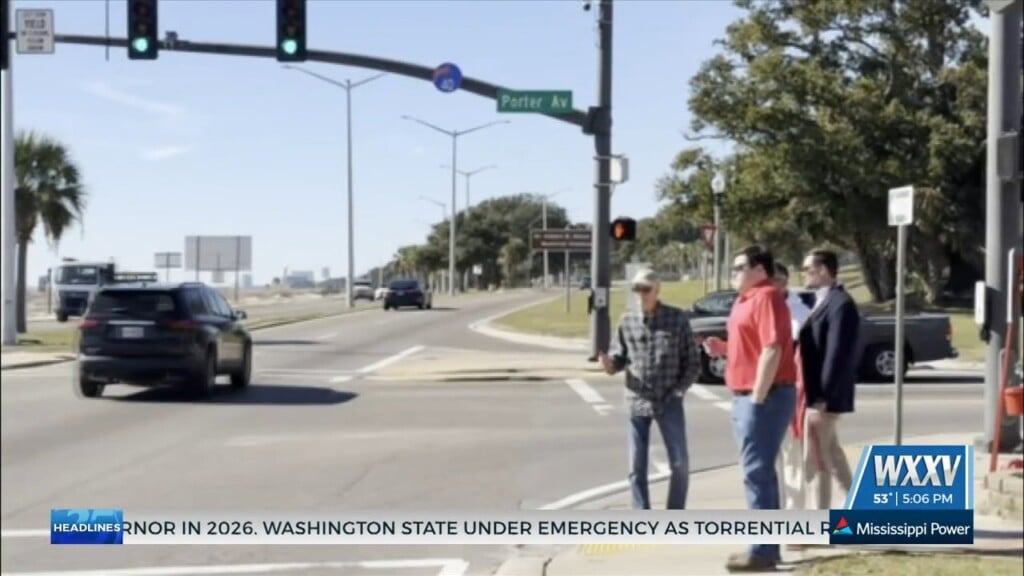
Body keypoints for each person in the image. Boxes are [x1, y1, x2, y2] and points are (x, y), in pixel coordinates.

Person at [703, 246, 797, 572]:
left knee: (756, 473)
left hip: (765, 396)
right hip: (745, 395)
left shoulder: (767, 296)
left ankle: (762, 551)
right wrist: (723, 347)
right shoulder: (744, 300)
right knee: (760, 473)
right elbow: (752, 345)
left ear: (760, 270)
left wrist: (758, 396)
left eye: (739, 267)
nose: (733, 273)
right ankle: (766, 548)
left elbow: (772, 348)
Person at [599, 269, 700, 510]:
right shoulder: (627, 322)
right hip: (637, 400)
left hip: (669, 399)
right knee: (636, 465)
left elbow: (693, 363)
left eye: (645, 289)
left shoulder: (677, 319)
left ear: (657, 291)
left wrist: (679, 390)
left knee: (680, 463)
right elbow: (619, 358)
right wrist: (609, 364)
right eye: (636, 289)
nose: (640, 294)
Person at [797, 249, 860, 511]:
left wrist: (822, 397)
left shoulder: (840, 304)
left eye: (808, 269)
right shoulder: (818, 300)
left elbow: (836, 354)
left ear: (823, 271)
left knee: (816, 461)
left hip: (824, 397)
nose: (804, 274)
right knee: (832, 455)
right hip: (813, 394)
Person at [773, 264, 813, 514]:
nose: (775, 286)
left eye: (779, 280)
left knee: (792, 456)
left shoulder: (799, 313)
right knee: (766, 461)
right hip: (760, 394)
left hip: (789, 391)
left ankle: (794, 514)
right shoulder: (759, 307)